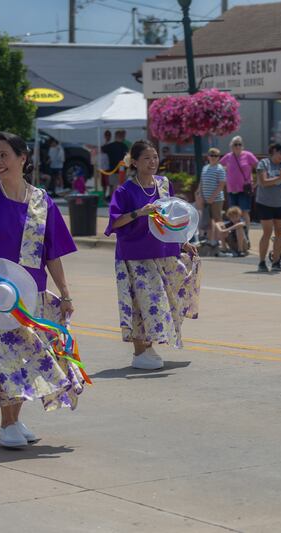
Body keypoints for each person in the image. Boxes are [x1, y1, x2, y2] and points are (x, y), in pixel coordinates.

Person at [0, 131, 84, 448]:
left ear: (23, 158)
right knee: (6, 359)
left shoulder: (42, 202)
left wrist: (65, 294)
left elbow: (52, 253)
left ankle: (14, 420)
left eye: (4, 155)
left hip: (30, 294)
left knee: (25, 359)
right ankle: (6, 425)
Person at [104, 140, 201, 370]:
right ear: (135, 162)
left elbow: (172, 219)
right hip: (134, 256)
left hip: (162, 252)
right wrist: (139, 212)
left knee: (169, 300)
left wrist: (184, 242)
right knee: (142, 302)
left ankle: (148, 347)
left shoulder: (164, 185)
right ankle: (140, 351)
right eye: (146, 158)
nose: (152, 162)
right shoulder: (125, 191)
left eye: (155, 157)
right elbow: (115, 222)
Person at [255, 143, 281, 272]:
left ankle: (276, 262)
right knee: (267, 232)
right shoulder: (263, 163)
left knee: (279, 234)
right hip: (265, 203)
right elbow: (263, 182)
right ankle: (261, 262)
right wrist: (280, 178)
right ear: (274, 151)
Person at [220, 135, 258, 228]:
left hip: (245, 188)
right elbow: (219, 167)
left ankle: (246, 233)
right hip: (231, 188)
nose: (237, 146)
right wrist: (225, 174)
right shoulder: (228, 156)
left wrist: (256, 182)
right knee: (233, 213)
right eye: (235, 144)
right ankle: (235, 234)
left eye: (239, 144)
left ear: (242, 146)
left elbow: (259, 167)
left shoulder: (248, 155)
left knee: (244, 211)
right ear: (231, 146)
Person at [197, 147, 227, 243]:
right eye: (211, 155)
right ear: (208, 157)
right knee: (208, 222)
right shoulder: (205, 168)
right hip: (205, 199)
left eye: (216, 155)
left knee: (218, 220)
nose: (213, 157)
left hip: (217, 199)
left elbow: (221, 185)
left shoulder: (220, 169)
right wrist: (200, 195)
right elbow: (202, 182)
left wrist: (212, 197)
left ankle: (221, 242)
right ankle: (211, 241)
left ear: (218, 157)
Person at [102, 130, 129, 202]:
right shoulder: (125, 146)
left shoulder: (110, 146)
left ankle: (113, 201)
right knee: (121, 186)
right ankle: (119, 201)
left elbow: (102, 149)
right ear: (122, 137)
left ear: (115, 136)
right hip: (122, 169)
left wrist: (106, 140)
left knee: (112, 186)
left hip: (112, 169)